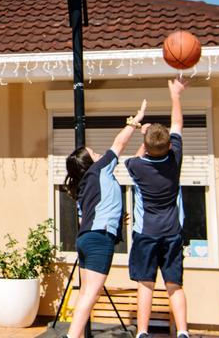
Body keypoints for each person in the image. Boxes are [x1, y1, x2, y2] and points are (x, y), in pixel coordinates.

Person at [63, 99, 147, 338]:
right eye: (93, 153)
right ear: (90, 162)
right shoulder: (99, 169)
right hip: (99, 238)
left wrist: (115, 218)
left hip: (86, 238)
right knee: (91, 293)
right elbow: (119, 143)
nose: (98, 153)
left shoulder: (83, 186)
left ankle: (76, 335)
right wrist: (135, 120)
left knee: (87, 292)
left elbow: (84, 218)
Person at [125, 78, 189, 338]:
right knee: (174, 284)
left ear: (148, 147)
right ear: (170, 146)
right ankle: (183, 331)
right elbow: (177, 124)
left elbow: (140, 155)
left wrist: (143, 135)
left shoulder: (137, 166)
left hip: (146, 234)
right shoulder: (175, 158)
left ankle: (142, 332)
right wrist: (176, 95)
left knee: (146, 283)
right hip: (172, 232)